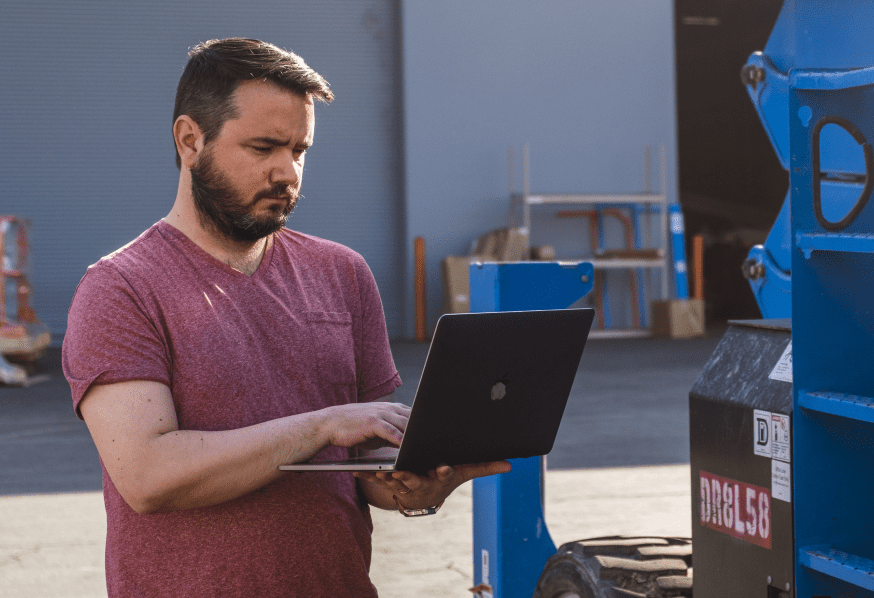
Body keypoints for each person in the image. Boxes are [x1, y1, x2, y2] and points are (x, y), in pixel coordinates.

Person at [62, 38, 510, 598]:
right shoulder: (122, 287)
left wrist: (415, 484)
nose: (286, 172)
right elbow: (149, 476)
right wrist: (321, 425)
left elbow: (363, 466)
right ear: (189, 140)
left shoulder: (341, 272)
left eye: (299, 150)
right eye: (263, 147)